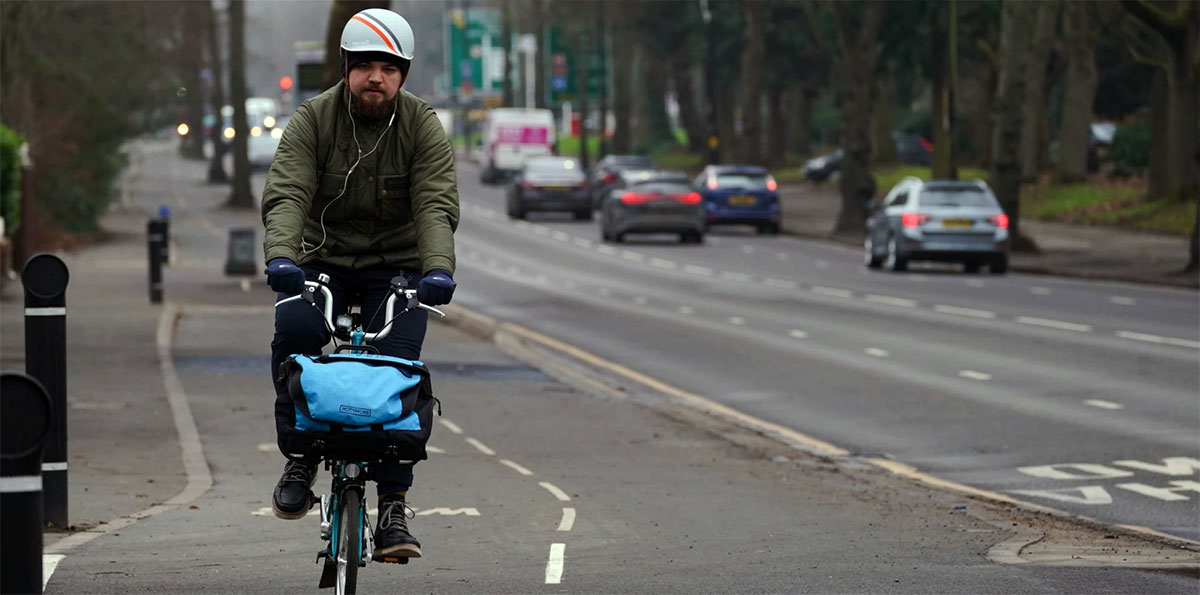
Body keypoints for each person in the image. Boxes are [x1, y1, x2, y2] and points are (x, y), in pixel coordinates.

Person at [260, 7, 459, 561]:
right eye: (366, 65)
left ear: (404, 74)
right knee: (295, 329)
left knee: (399, 366)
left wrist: (437, 268)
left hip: (397, 265)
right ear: (346, 67)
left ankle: (393, 505)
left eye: (390, 68)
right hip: (320, 259)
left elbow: (435, 202)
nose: (378, 77)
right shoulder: (313, 120)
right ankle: (300, 456)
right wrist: (281, 258)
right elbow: (288, 192)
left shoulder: (421, 126)